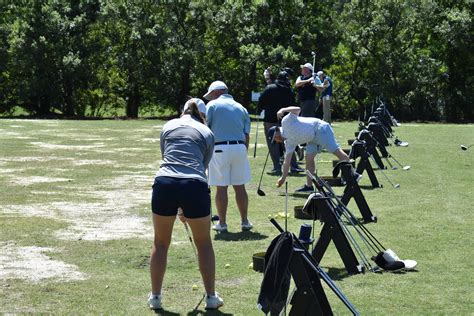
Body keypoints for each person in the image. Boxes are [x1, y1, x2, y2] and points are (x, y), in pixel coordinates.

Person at [148, 100, 223, 310]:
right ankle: (211, 298)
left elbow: (167, 157)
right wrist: (184, 207)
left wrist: (179, 206)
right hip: (194, 184)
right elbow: (201, 167)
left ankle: (155, 298)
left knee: (160, 243)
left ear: (182, 111)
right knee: (204, 243)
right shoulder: (207, 132)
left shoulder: (167, 126)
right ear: (203, 115)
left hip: (164, 182)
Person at [203, 81, 253, 232]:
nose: (210, 98)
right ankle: (245, 221)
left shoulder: (212, 106)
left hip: (219, 148)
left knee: (221, 187)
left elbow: (206, 129)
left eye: (210, 95)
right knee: (240, 187)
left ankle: (222, 223)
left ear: (216, 92)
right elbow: (246, 134)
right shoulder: (241, 107)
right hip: (240, 147)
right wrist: (244, 150)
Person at [272, 106, 350, 192]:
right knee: (308, 159)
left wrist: (282, 110)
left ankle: (353, 175)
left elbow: (298, 109)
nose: (277, 141)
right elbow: (287, 162)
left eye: (275, 139)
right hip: (312, 138)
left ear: (276, 133)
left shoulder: (285, 122)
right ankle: (309, 186)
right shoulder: (288, 143)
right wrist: (283, 178)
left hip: (320, 129)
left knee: (337, 152)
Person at [258, 71, 303, 175]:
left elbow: (261, 100)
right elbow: (293, 104)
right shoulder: (289, 90)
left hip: (270, 120)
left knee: (273, 143)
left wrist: (259, 109)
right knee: (288, 143)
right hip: (285, 120)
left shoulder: (270, 88)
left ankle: (277, 167)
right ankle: (294, 166)